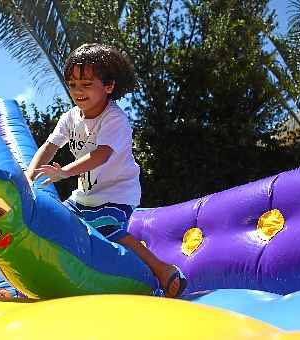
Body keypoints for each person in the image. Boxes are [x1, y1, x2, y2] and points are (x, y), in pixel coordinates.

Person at [25, 43, 187, 298]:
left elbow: (101, 155)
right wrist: (29, 175)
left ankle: (163, 270)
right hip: (85, 196)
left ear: (108, 86)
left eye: (86, 84)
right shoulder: (70, 118)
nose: (78, 91)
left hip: (118, 193)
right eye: (72, 84)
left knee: (106, 226)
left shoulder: (114, 119)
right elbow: (49, 146)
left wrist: (65, 172)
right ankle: (28, 288)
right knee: (52, 223)